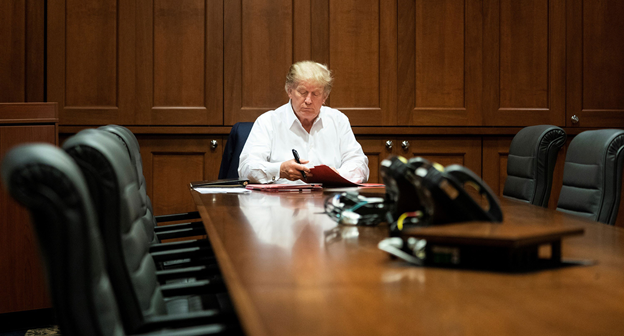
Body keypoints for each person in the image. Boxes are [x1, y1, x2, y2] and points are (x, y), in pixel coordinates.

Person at [238, 60, 369, 184]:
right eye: (302, 92)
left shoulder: (338, 120)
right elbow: (246, 168)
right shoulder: (268, 122)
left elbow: (359, 165)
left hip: (326, 201)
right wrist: (280, 170)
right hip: (280, 203)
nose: (308, 100)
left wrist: (337, 174)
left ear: (325, 96)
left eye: (315, 94)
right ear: (289, 91)